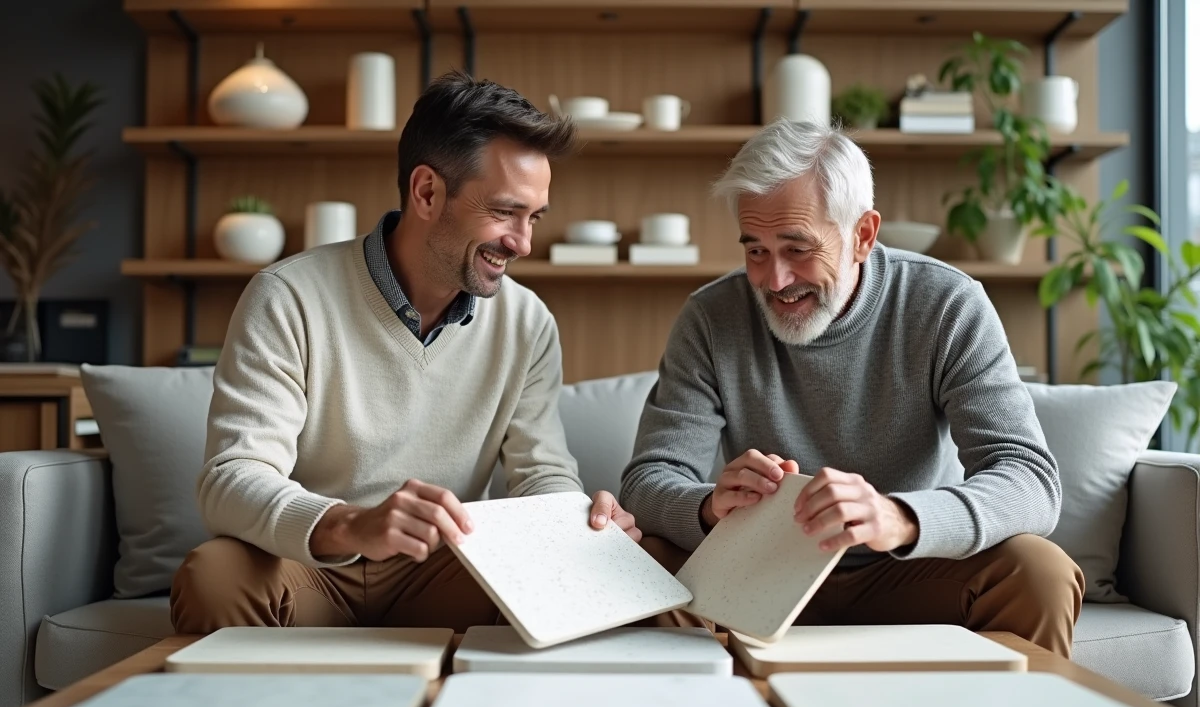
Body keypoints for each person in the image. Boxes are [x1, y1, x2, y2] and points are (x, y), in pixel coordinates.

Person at [171, 72, 640, 634]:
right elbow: (231, 478)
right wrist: (351, 525)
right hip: (313, 563)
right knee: (213, 576)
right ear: (427, 192)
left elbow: (542, 473)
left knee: (574, 579)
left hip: (447, 569)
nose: (523, 242)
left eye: (533, 217)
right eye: (504, 212)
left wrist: (578, 523)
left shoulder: (527, 321)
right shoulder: (287, 296)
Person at [620, 119, 1084, 657]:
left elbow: (1029, 479)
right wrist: (709, 506)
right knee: (638, 563)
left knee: (1040, 571)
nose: (774, 281)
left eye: (797, 249)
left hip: (906, 571)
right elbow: (647, 482)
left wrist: (901, 518)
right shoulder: (710, 318)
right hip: (757, 570)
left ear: (862, 235)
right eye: (756, 251)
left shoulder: (947, 304)